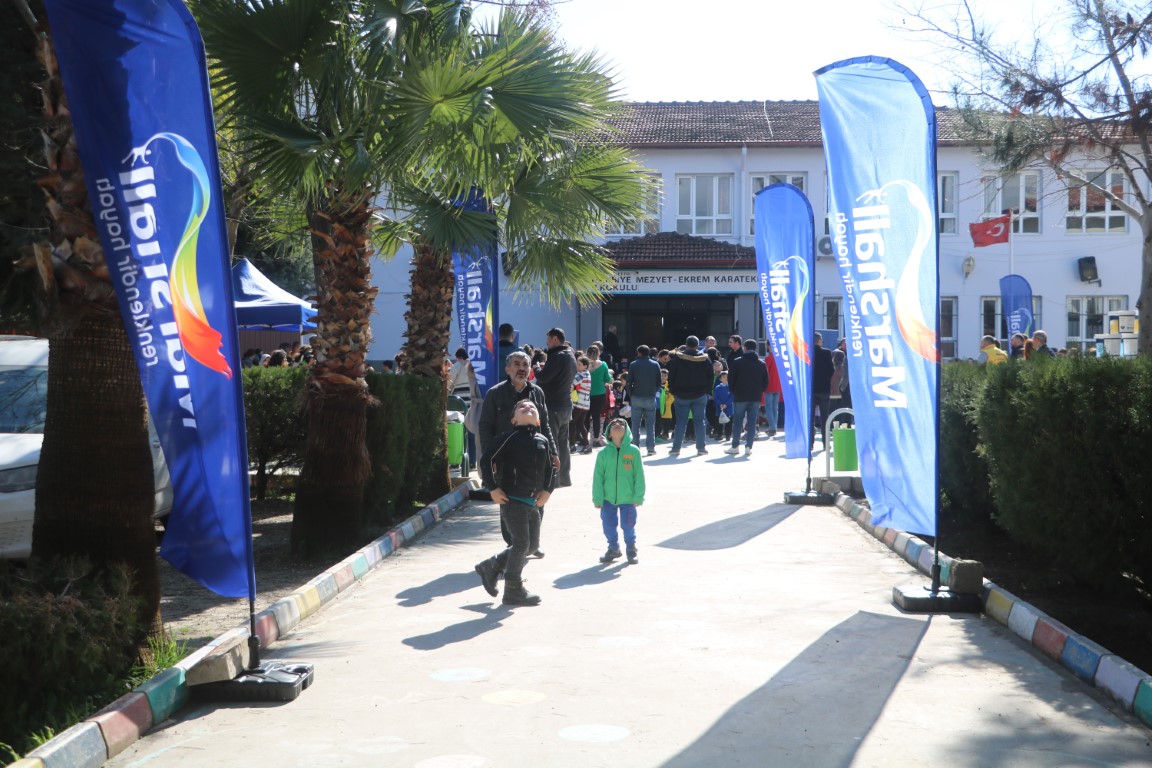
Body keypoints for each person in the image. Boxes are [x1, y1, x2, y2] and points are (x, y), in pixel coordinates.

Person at [473, 400, 555, 606]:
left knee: (532, 545)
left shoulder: (543, 440)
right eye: (522, 407)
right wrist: (492, 487)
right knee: (520, 543)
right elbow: (486, 460)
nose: (528, 408)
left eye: (532, 408)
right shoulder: (507, 438)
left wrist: (548, 490)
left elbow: (549, 469)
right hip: (511, 500)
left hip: (532, 502)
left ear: (538, 420)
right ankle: (513, 589)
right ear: (513, 419)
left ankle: (491, 566)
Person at [478, 351, 556, 554]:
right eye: (516, 364)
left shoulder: (537, 392)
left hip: (534, 459)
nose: (521, 368)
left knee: (538, 500)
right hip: (507, 461)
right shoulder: (495, 393)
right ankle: (515, 544)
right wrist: (490, 456)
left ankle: (531, 543)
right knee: (509, 503)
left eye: (525, 364)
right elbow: (485, 426)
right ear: (507, 369)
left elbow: (545, 425)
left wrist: (553, 453)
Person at [592, 418, 645, 565]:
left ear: (627, 431)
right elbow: (598, 478)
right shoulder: (602, 454)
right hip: (607, 499)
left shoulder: (633, 451)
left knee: (628, 525)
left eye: (622, 423)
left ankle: (631, 548)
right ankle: (613, 548)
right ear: (608, 433)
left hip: (628, 499)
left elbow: (639, 476)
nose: (617, 424)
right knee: (608, 525)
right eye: (614, 423)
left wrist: (638, 496)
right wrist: (598, 498)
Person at [533, 328, 578, 487]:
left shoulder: (557, 356)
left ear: (555, 339)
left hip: (553, 405)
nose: (546, 342)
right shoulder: (570, 355)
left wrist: (536, 367)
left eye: (548, 339)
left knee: (552, 442)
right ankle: (564, 477)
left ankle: (555, 479)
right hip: (565, 404)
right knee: (563, 442)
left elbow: (543, 377)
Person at [666, 335, 713, 457]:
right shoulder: (705, 359)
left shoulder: (678, 358)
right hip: (699, 395)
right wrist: (707, 391)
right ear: (698, 345)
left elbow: (671, 376)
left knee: (681, 422)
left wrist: (673, 391)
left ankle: (676, 448)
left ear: (686, 345)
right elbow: (710, 377)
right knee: (699, 422)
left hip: (681, 395)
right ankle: (701, 448)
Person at [727, 338, 768, 455]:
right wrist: (760, 391)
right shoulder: (761, 363)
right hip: (755, 396)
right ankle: (748, 447)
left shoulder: (737, 362)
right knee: (752, 422)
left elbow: (731, 379)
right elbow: (766, 382)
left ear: (744, 348)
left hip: (740, 396)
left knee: (738, 422)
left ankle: (735, 446)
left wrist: (733, 390)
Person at [627, 345, 662, 456]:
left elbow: (629, 382)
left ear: (639, 353)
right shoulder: (655, 364)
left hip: (636, 396)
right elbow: (659, 382)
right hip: (650, 397)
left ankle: (635, 447)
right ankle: (650, 448)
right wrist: (653, 392)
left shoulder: (633, 364)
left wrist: (631, 394)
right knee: (650, 424)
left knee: (635, 424)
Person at [586, 345, 613, 447]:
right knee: (596, 416)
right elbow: (607, 379)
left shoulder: (584, 364)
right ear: (598, 354)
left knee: (585, 416)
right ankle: (596, 438)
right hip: (599, 393)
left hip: (586, 393)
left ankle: (585, 438)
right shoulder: (603, 364)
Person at [811, 332, 834, 449]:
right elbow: (831, 370)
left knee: (811, 418)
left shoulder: (807, 353)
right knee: (825, 417)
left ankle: (810, 443)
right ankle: (825, 443)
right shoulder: (826, 353)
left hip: (811, 389)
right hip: (824, 389)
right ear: (819, 341)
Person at [571, 356, 593, 454]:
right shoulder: (587, 374)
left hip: (578, 403)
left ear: (585, 366)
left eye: (579, 364)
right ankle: (587, 445)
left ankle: (572, 446)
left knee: (572, 423)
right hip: (585, 403)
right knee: (580, 424)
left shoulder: (580, 374)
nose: (577, 366)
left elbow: (571, 384)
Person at [764, 342, 782, 436]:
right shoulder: (780, 358)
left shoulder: (768, 358)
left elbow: (765, 373)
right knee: (775, 408)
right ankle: (773, 426)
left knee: (769, 407)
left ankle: (772, 427)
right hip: (778, 385)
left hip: (769, 385)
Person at [713, 371, 733, 442]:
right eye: (723, 377)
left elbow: (732, 397)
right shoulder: (718, 387)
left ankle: (728, 435)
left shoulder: (730, 386)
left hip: (729, 407)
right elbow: (716, 397)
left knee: (729, 422)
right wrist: (720, 404)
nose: (725, 378)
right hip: (719, 407)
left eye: (727, 377)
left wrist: (726, 404)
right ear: (720, 379)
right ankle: (719, 434)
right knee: (719, 421)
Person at [657, 368, 674, 439]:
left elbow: (672, 396)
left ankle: (665, 433)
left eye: (665, 376)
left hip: (666, 408)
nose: (663, 377)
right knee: (658, 421)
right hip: (658, 407)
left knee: (666, 422)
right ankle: (658, 433)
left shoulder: (669, 386)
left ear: (667, 377)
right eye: (662, 375)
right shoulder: (657, 385)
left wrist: (667, 403)